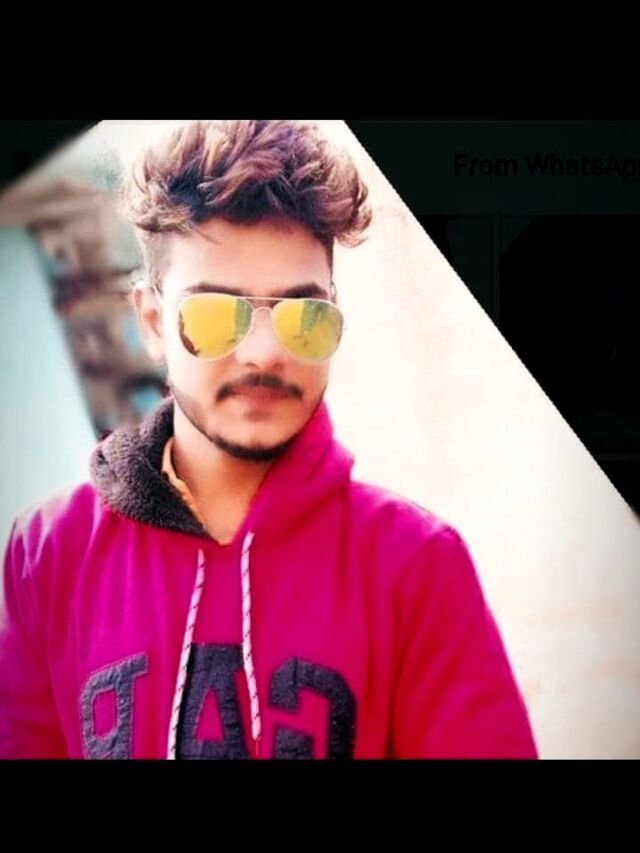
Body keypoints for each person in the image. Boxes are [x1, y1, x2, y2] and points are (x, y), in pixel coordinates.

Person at [0, 120, 538, 759]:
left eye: (303, 316)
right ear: (152, 321)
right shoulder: (48, 553)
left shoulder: (416, 565)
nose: (264, 352)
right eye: (213, 314)